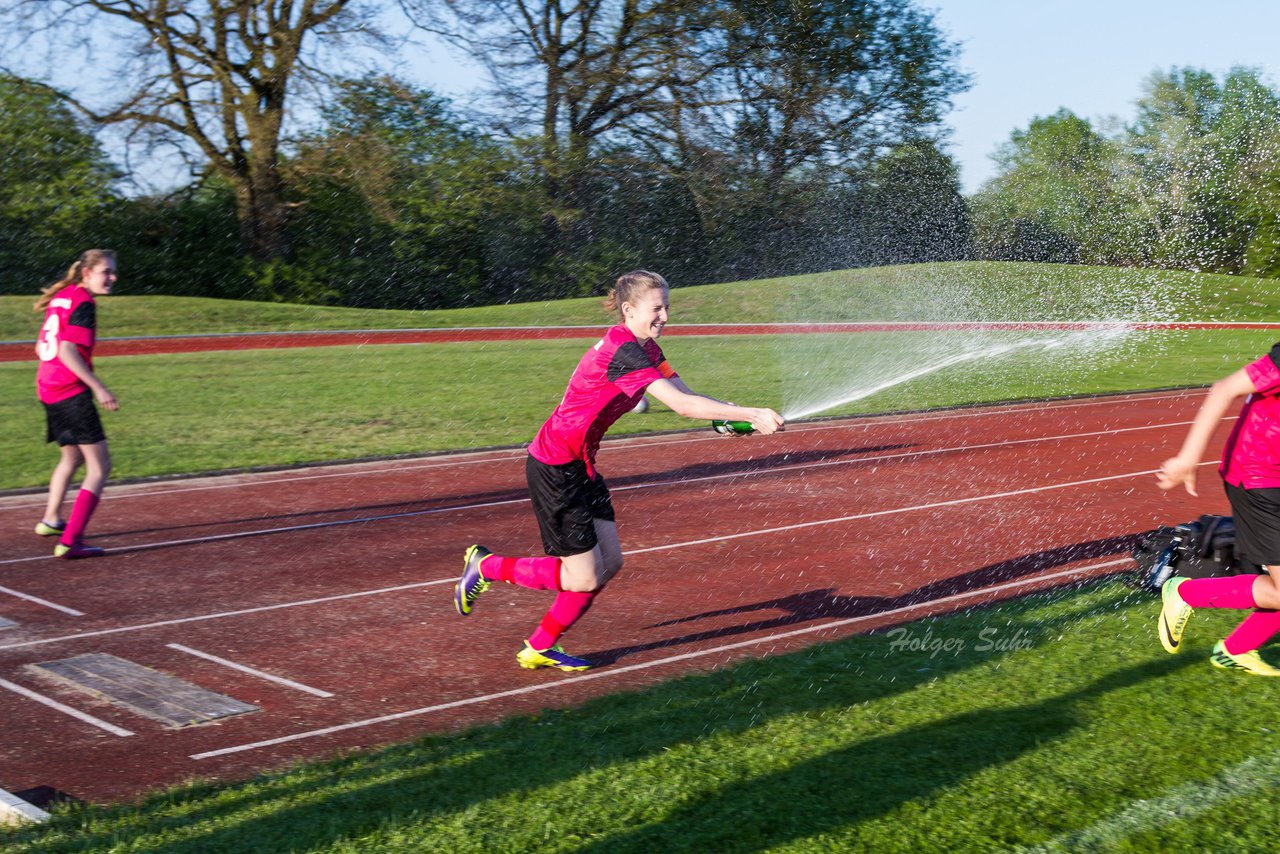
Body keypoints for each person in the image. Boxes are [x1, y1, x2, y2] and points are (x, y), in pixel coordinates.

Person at [454, 270, 785, 672]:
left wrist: (730, 418)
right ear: (629, 310)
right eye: (656, 308)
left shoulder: (644, 348)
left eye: (667, 307)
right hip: (555, 467)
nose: (664, 315)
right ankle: (485, 566)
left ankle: (539, 647)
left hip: (582, 464)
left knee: (609, 563)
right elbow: (682, 407)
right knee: (584, 577)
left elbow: (686, 395)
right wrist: (750, 413)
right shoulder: (624, 350)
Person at [1156, 343, 1280, 675]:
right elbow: (1225, 389)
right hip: (1259, 479)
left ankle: (1235, 651)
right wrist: (1188, 458)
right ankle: (1185, 591)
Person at [33, 249, 119, 559]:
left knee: (71, 458)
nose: (112, 278)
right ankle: (71, 541)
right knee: (100, 466)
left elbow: (41, 344)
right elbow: (68, 350)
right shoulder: (84, 303)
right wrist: (99, 388)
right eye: (106, 272)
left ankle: (52, 519)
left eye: (113, 272)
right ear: (87, 274)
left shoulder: (64, 295)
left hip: (47, 387)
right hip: (69, 391)